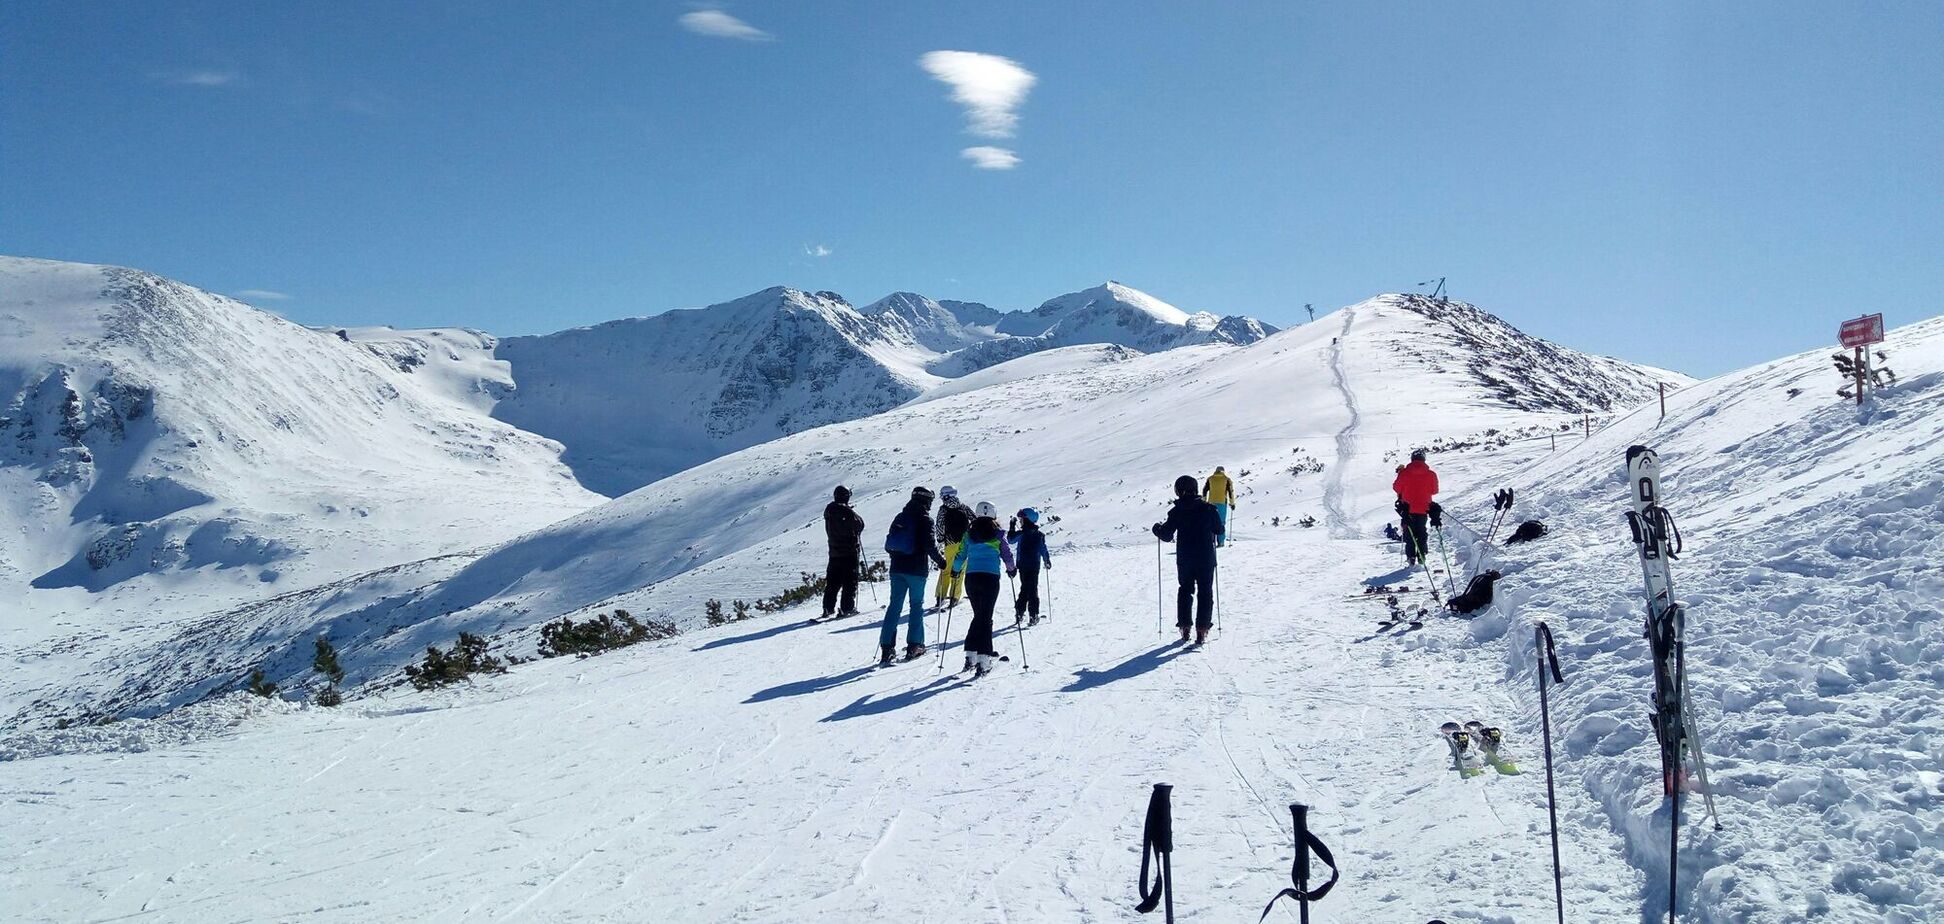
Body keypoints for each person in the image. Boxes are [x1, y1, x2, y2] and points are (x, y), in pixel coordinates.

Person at [1152, 475, 1224, 645]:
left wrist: (1157, 529)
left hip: (1185, 558)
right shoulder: (1209, 509)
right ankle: (1202, 630)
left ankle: (1185, 627)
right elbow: (1219, 529)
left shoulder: (1177, 511)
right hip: (1206, 557)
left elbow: (1167, 535)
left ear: (1179, 490)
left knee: (1185, 590)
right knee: (1205, 591)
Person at [880, 486, 948, 665]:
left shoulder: (900, 517)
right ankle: (915, 645)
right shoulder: (925, 520)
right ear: (926, 501)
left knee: (894, 606)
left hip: (896, 567)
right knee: (916, 605)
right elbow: (929, 546)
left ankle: (887, 648)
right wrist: (941, 561)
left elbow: (890, 543)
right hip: (916, 569)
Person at [950, 501, 1017, 676]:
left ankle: (970, 655)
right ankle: (984, 659)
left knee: (979, 615)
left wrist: (955, 571)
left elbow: (960, 555)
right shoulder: (998, 534)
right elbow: (1007, 554)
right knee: (985, 617)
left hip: (971, 578)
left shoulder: (969, 534)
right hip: (990, 578)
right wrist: (1012, 569)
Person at [822, 485, 864, 619]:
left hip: (834, 552)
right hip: (849, 552)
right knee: (849, 582)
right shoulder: (846, 511)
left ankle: (828, 608)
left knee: (832, 583)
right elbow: (860, 524)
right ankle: (847, 608)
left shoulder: (829, 510)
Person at [1393, 450, 1440, 567]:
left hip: (1407, 509)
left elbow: (1396, 488)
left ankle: (1411, 557)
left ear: (1412, 459)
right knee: (1421, 531)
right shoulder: (1431, 474)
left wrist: (1400, 473)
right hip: (1424, 508)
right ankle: (1422, 554)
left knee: (1409, 534)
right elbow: (1435, 490)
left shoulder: (1404, 473)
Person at [1007, 508, 1053, 626]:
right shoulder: (1039, 535)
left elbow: (1010, 539)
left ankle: (1020, 613)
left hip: (1022, 566)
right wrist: (1047, 560)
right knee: (1031, 589)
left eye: (1021, 519)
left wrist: (1012, 526)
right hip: (1033, 567)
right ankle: (1033, 615)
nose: (1020, 521)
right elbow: (1043, 549)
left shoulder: (1021, 534)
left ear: (1027, 519)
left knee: (1025, 588)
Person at [932, 485, 973, 608]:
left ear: (946, 496)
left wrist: (940, 539)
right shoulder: (963, 507)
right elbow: (974, 519)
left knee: (946, 569)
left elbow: (939, 525)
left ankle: (940, 596)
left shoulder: (943, 509)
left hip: (949, 544)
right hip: (964, 543)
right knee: (959, 570)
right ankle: (954, 597)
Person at [1202, 466, 1236, 546]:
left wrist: (1204, 501)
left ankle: (1211, 541)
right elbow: (1230, 492)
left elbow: (1204, 490)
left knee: (1210, 522)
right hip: (1222, 503)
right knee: (1221, 523)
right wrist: (1232, 503)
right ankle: (1220, 542)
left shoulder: (1210, 479)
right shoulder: (1227, 479)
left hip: (1211, 502)